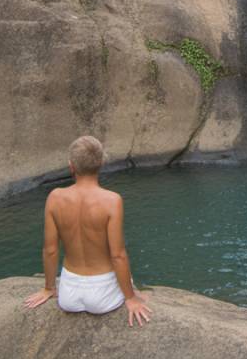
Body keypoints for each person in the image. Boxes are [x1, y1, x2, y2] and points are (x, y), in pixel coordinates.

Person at [22, 135, 152, 327]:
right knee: (129, 280)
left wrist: (49, 288)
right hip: (103, 293)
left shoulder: (55, 197)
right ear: (101, 163)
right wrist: (131, 298)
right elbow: (118, 255)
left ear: (71, 166)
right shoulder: (112, 200)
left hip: (68, 295)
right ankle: (134, 291)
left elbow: (50, 250)